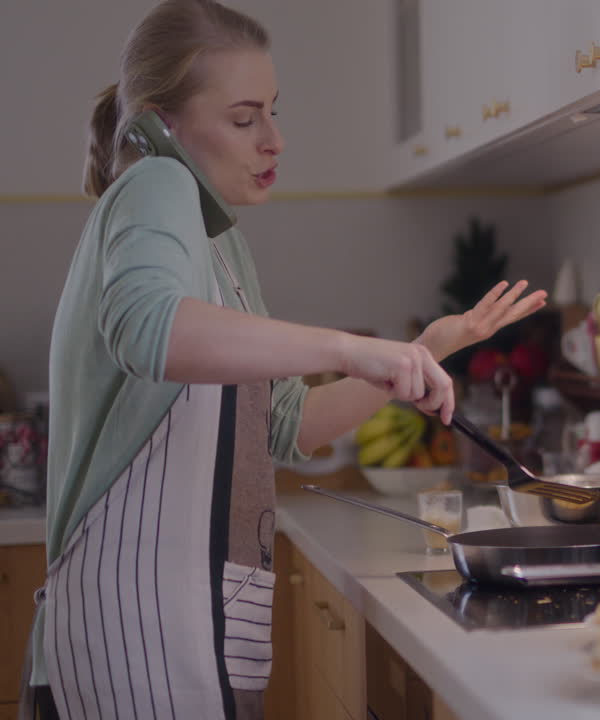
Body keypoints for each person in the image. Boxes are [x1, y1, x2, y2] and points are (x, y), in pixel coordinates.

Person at [21, 2, 547, 718]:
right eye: (244, 119)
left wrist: (426, 352)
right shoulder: (155, 184)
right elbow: (149, 331)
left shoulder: (220, 242)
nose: (275, 139)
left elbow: (290, 427)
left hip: (190, 615)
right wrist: (344, 344)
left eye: (272, 112)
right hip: (136, 628)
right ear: (163, 123)